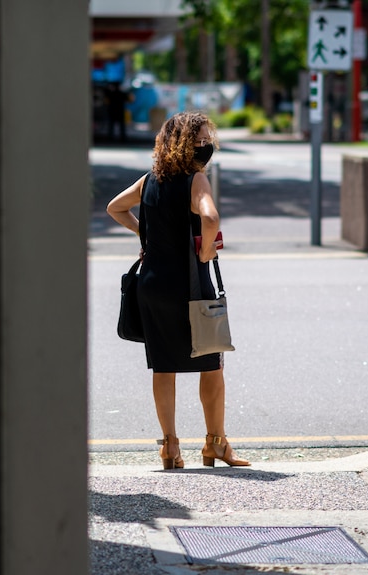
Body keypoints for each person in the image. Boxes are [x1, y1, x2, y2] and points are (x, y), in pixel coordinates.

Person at [106, 111, 249, 470]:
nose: (205, 147)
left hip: (152, 285)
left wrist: (145, 235)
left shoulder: (149, 180)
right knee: (211, 364)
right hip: (189, 285)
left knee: (163, 367)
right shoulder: (195, 180)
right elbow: (211, 217)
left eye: (207, 141)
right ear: (184, 145)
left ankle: (169, 448)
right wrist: (205, 251)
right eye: (200, 140)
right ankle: (216, 444)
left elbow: (115, 208)